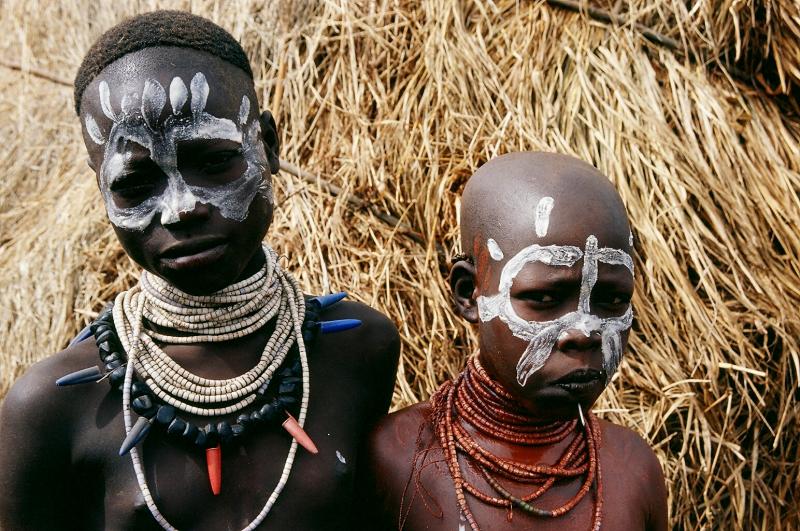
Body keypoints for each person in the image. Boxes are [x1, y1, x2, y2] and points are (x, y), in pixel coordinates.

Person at [0, 10, 399, 531]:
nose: (180, 208)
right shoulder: (50, 409)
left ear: (269, 145)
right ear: (100, 187)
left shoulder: (358, 349)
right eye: (135, 185)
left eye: (213, 161)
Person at [362, 152, 668, 530]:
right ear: (468, 292)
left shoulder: (632, 468)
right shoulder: (398, 459)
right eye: (543, 298)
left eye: (613, 300)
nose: (584, 331)